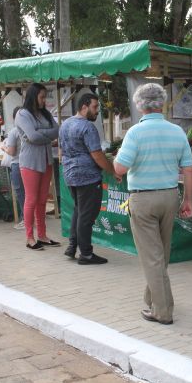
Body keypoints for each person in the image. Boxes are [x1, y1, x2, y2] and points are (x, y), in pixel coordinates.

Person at [113, 83, 192, 325]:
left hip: (142, 198)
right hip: (170, 196)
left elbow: (119, 167)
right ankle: (153, 300)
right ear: (163, 103)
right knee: (161, 255)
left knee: (152, 258)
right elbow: (188, 169)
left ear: (139, 105)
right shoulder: (177, 131)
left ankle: (163, 311)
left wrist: (118, 153)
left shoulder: (135, 133)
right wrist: (188, 199)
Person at [59, 93, 119, 265]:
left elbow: (62, 152)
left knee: (79, 211)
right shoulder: (87, 127)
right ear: (84, 107)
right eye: (95, 107)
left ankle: (72, 246)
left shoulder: (65, 124)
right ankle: (86, 254)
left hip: (70, 175)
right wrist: (113, 171)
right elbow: (98, 156)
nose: (97, 111)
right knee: (86, 216)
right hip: (87, 177)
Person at [15, 83, 61, 250]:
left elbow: (57, 130)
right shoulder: (23, 114)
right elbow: (33, 137)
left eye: (45, 96)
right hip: (30, 162)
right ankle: (29, 237)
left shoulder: (45, 113)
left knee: (42, 200)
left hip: (47, 160)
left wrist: (39, 133)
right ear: (33, 96)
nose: (44, 100)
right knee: (32, 199)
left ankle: (42, 235)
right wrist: (44, 135)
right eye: (42, 97)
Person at [2, 106, 26, 230]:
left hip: (17, 164)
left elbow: (11, 152)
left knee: (21, 193)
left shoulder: (14, 131)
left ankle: (26, 219)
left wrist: (3, 147)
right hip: (30, 164)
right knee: (30, 194)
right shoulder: (30, 130)